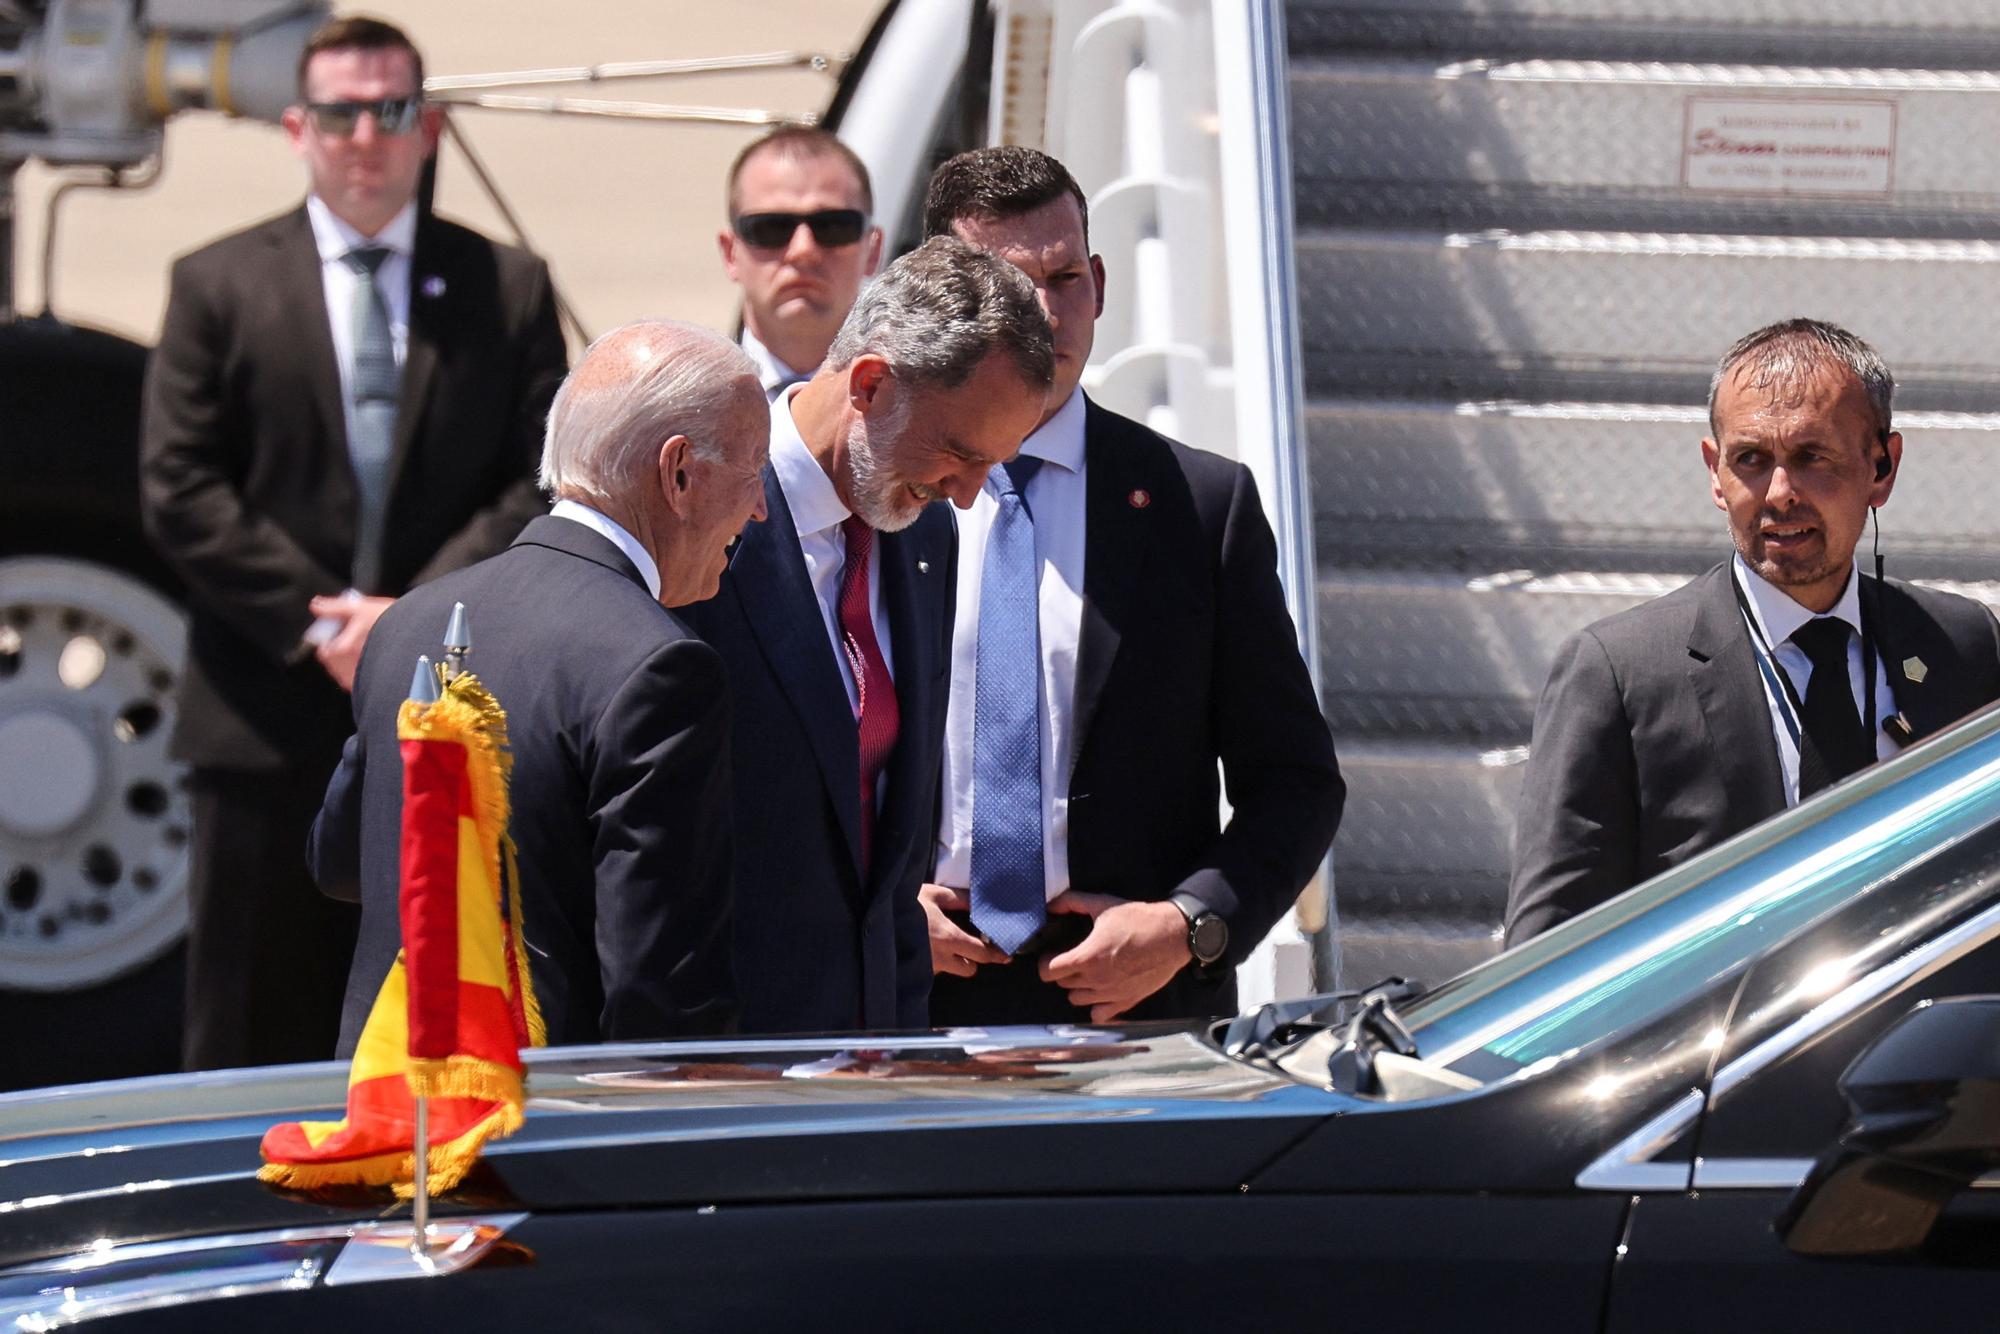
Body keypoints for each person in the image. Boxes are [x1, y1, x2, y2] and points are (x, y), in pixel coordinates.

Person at [139, 16, 566, 1070]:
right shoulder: (217, 283)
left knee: (433, 1025)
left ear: (430, 129)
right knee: (244, 1028)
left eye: (391, 111)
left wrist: (401, 620)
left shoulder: (505, 286)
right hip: (261, 716)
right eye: (340, 112)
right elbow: (179, 485)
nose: (365, 134)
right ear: (297, 127)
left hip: (450, 711)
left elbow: (539, 472)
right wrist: (319, 621)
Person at [919, 147, 1344, 1025]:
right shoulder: (883, 500)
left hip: (1135, 1010)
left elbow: (1297, 782)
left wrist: (1190, 925)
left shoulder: (1200, 505)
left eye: (1066, 276)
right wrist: (880, 916)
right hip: (910, 997)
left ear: (1102, 284)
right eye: (1007, 285)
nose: (1045, 313)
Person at [312, 320, 767, 1051]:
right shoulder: (659, 665)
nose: (759, 510)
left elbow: (340, 861)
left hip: (387, 1114)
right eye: (753, 475)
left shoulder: (407, 622)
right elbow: (662, 986)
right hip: (543, 1133)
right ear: (679, 473)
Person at [1507, 318, 2000, 945]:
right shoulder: (1620, 673)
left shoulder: (1962, 644)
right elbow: (1548, 945)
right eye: (1750, 460)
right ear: (1715, 473)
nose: (1780, 493)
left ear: (1882, 468)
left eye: (1811, 457)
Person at [683, 235, 1053, 1034]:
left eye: (991, 465)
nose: (963, 496)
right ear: (872, 384)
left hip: (879, 1051)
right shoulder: (699, 520)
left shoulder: (920, 532)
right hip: (727, 1060)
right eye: (957, 453)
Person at [717, 127, 884, 399]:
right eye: (771, 228)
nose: (802, 250)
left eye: (832, 226)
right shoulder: (682, 408)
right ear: (730, 253)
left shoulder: (921, 411)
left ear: (873, 250)